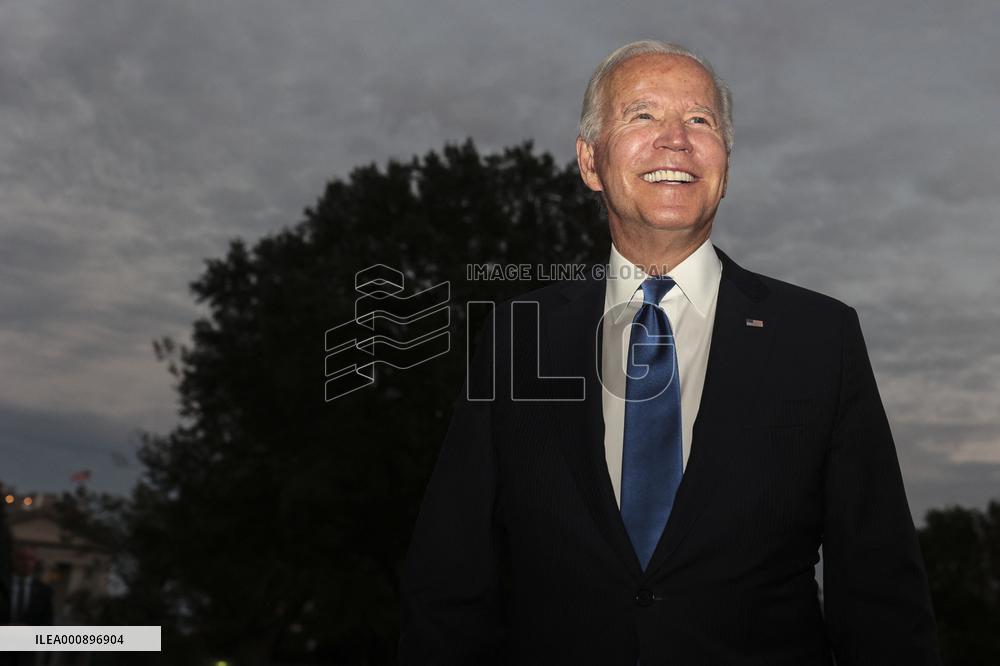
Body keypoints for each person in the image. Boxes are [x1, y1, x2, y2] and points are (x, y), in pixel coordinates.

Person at [399, 40, 941, 665]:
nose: (676, 139)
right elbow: (450, 582)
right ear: (590, 162)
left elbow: (881, 592)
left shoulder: (821, 339)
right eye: (643, 115)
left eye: (700, 120)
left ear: (725, 163)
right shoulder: (518, 336)